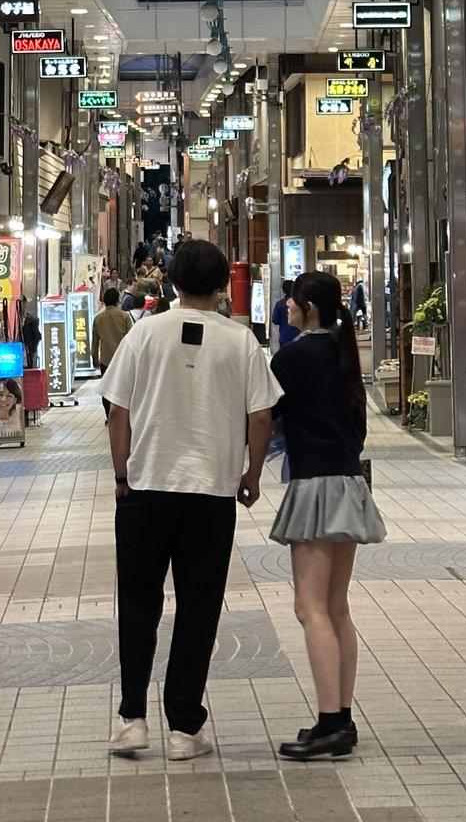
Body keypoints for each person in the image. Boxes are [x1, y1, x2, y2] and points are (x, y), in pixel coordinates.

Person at [101, 239, 281, 762]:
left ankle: (132, 720)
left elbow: (117, 410)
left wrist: (121, 472)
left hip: (145, 489)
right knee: (198, 608)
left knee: (138, 604)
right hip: (210, 494)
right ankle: (184, 726)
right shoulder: (241, 341)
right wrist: (251, 474)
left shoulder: (143, 333)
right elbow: (261, 416)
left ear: (173, 282)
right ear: (223, 285)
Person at [269, 271, 386, 761]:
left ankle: (330, 721)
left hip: (314, 485)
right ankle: (342, 716)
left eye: (293, 301)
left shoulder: (291, 358)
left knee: (310, 607)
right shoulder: (344, 354)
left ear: (309, 307)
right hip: (349, 484)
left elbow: (266, 418)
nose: (287, 308)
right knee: (337, 606)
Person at [92, 287, 131, 417]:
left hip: (105, 359)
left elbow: (95, 341)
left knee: (107, 389)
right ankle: (122, 415)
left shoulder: (98, 318)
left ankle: (109, 415)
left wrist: (94, 358)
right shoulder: (124, 316)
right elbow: (131, 339)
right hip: (122, 359)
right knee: (123, 388)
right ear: (117, 300)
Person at [272, 279, 299, 350]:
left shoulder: (279, 304)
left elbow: (275, 320)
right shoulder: (299, 304)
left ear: (283, 290)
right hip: (298, 337)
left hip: (284, 337)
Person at [20, 300, 42, 370]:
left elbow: (37, 336)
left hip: (26, 349)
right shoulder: (17, 318)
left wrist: (31, 349)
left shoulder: (32, 321)